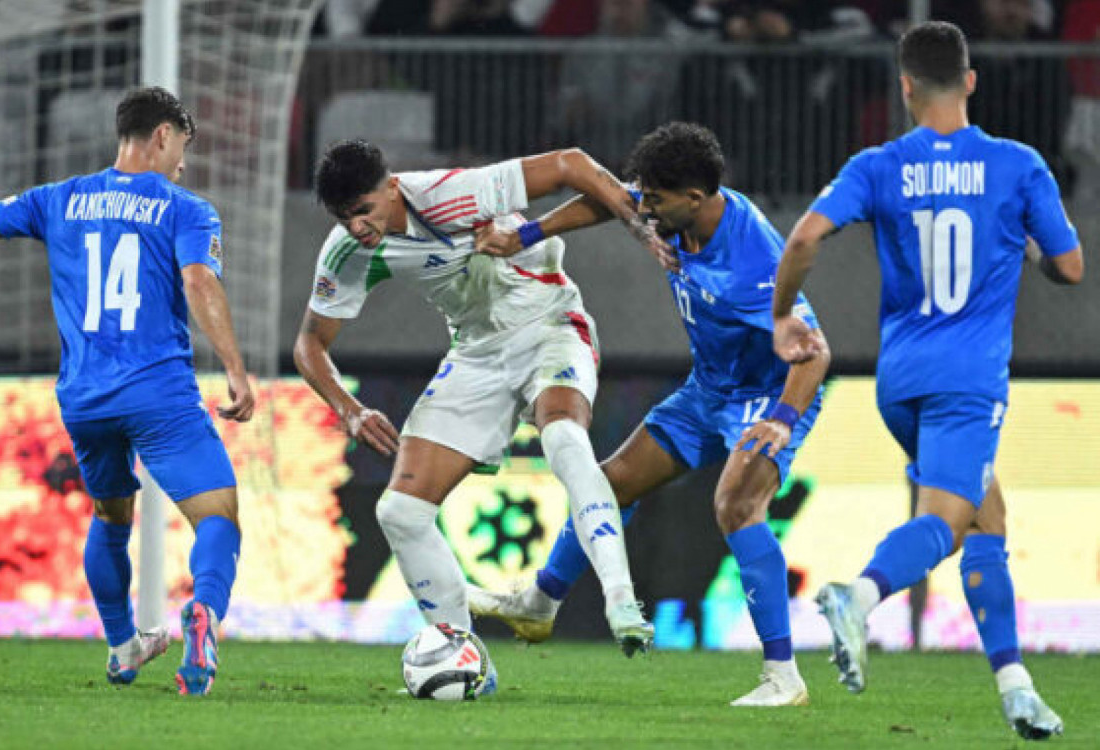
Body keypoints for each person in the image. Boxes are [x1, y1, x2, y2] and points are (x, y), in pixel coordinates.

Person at [771, 21, 1083, 739]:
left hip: (899, 379)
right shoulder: (1016, 164)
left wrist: (783, 314)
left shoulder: (878, 165)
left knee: (986, 515)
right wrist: (1028, 244)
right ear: (970, 81)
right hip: (968, 380)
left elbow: (803, 238)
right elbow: (1071, 268)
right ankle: (859, 594)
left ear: (905, 86)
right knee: (946, 519)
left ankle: (1017, 690)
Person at [0, 87, 256, 697]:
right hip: (158, 392)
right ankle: (203, 613)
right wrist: (234, 367)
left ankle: (123, 646)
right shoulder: (186, 208)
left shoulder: (58, 198)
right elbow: (199, 281)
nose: (182, 164)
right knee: (218, 517)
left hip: (85, 398)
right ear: (162, 136)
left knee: (110, 515)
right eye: (182, 148)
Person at [469, 121, 829, 707]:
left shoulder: (757, 263)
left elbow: (815, 353)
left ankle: (783, 677)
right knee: (608, 483)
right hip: (707, 390)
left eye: (656, 200)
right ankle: (540, 603)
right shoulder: (672, 207)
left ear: (695, 198)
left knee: (736, 506)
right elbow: (610, 200)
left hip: (763, 397)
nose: (645, 209)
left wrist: (782, 418)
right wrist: (528, 232)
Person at [295, 139, 661, 660]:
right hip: (478, 353)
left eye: (363, 210)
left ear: (392, 187)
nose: (356, 226)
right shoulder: (349, 249)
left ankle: (622, 600)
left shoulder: (453, 195)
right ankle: (461, 659)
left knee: (563, 438)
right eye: (343, 216)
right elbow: (309, 343)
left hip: (550, 325)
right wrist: (349, 410)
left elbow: (570, 164)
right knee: (400, 512)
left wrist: (626, 221)